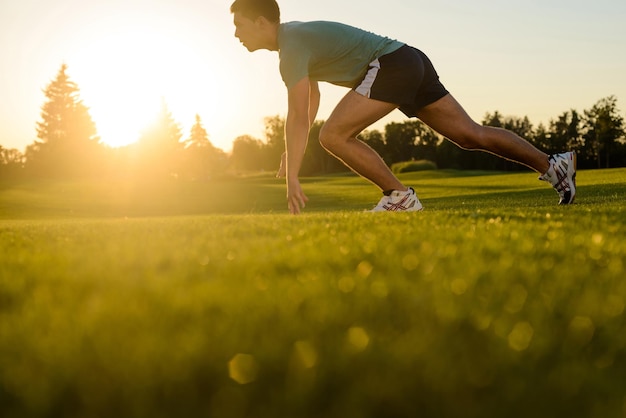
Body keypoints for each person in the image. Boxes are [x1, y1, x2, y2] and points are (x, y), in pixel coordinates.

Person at [230, 0, 577, 214]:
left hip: (391, 64)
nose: (236, 34)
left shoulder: (291, 46)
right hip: (408, 59)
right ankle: (554, 166)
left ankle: (399, 196)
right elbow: (309, 103)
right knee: (469, 135)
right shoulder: (295, 41)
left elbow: (295, 114)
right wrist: (292, 153)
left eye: (239, 25)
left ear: (261, 22)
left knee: (334, 135)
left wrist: (292, 176)